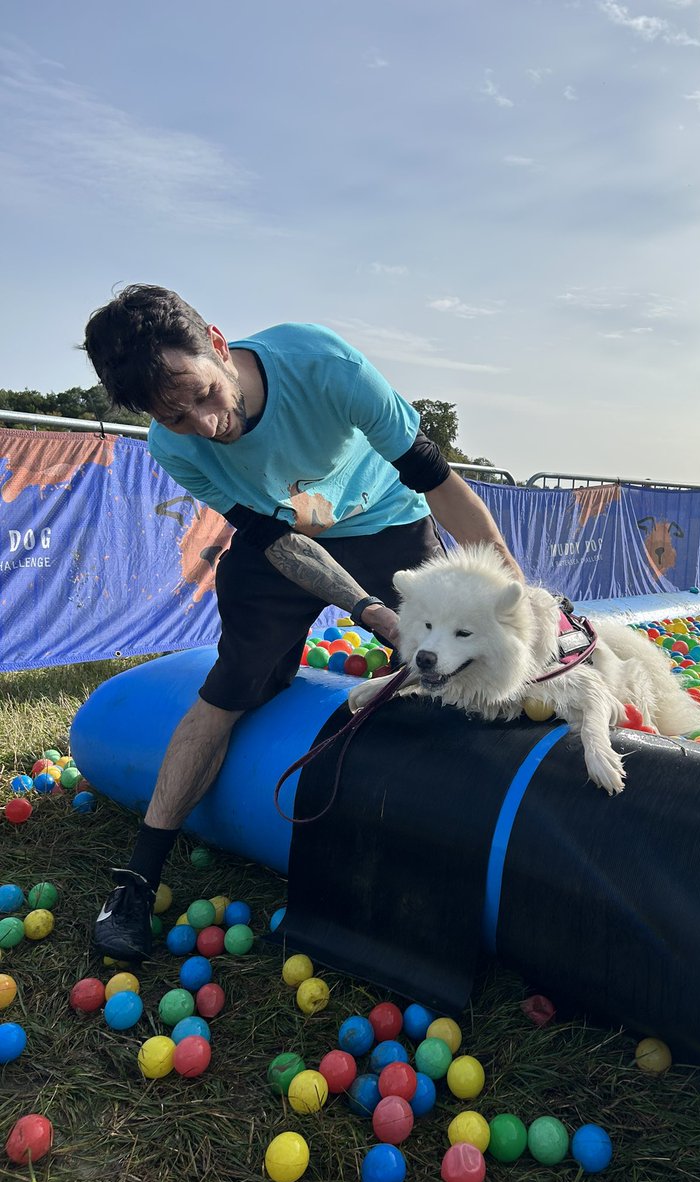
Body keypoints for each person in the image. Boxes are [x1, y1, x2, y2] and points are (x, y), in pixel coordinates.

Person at [82, 284, 521, 961]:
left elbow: (436, 482)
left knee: (451, 670)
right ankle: (137, 879)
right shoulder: (175, 448)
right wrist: (368, 611)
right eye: (174, 416)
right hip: (282, 548)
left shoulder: (325, 366)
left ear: (220, 346)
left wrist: (512, 594)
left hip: (387, 526)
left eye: (202, 394)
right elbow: (280, 544)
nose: (205, 425)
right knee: (229, 691)